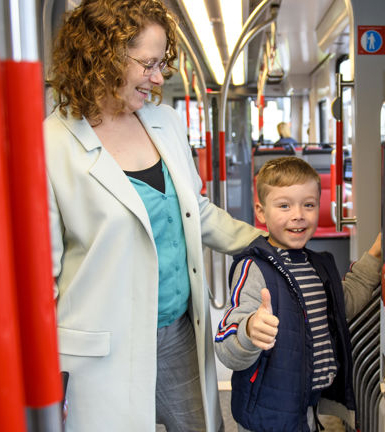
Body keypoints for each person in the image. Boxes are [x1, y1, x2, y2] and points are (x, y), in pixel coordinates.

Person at [44, 1, 262, 430]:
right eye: (148, 64)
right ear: (102, 57)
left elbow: (193, 210)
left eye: (162, 63)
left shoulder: (164, 121)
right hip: (103, 346)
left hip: (178, 334)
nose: (159, 78)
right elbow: (42, 275)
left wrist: (262, 242)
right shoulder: (51, 145)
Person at [214, 156, 382, 431]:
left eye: (308, 205)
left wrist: (374, 256)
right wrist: (249, 330)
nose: (298, 215)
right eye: (284, 205)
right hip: (271, 409)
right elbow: (226, 341)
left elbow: (344, 304)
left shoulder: (317, 264)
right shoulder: (254, 268)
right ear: (260, 211)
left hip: (307, 401)